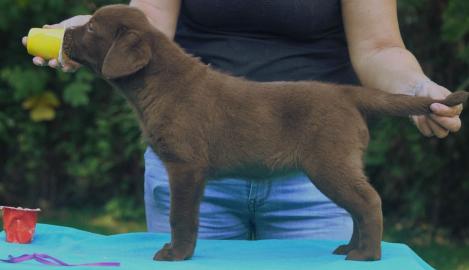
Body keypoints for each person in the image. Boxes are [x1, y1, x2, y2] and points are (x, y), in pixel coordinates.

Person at [24, 0, 463, 240]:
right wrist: (91, 33)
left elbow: (379, 46)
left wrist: (414, 89)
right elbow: (148, 22)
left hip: (308, 176)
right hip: (192, 172)